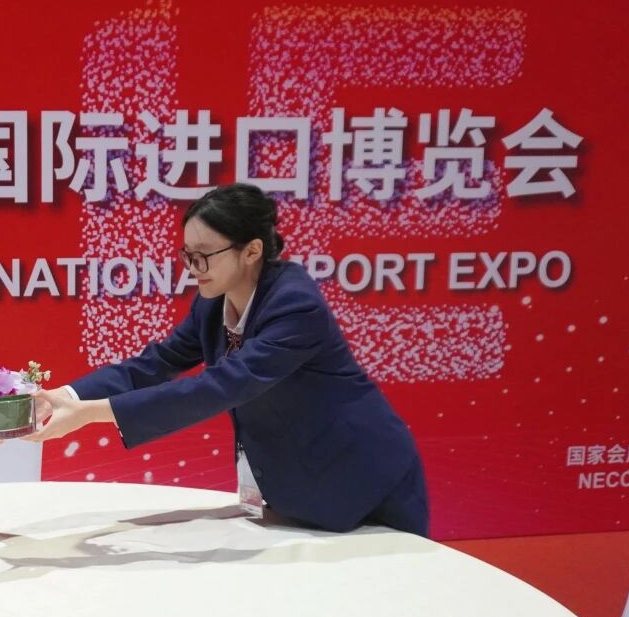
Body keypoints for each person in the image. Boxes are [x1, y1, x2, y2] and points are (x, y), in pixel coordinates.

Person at [30, 182, 428, 537]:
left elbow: (220, 386)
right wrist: (66, 396)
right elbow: (155, 363)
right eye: (188, 255)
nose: (193, 269)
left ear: (252, 250)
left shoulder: (295, 305)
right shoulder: (212, 303)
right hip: (301, 488)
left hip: (366, 481)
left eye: (204, 255)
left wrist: (92, 414)